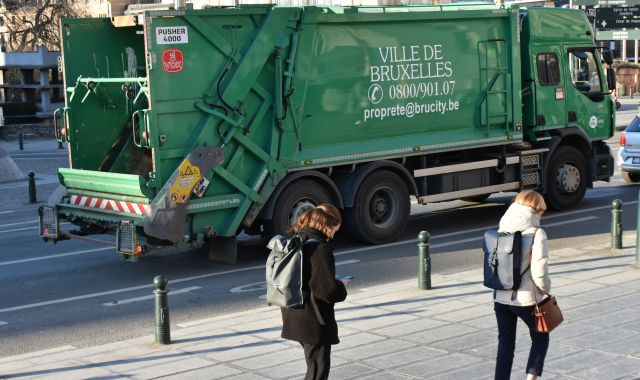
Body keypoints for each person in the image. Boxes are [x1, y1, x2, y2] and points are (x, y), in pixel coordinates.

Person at [280, 204, 350, 380]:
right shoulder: (320, 249)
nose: (334, 234)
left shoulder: (298, 240)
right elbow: (327, 291)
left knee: (313, 365)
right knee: (318, 371)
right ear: (328, 225)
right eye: (335, 229)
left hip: (294, 312)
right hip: (313, 320)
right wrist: (341, 285)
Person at [494, 190, 551, 380]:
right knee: (541, 338)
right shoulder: (537, 233)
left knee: (505, 345)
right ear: (536, 209)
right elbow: (539, 272)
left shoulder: (502, 227)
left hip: (501, 297)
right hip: (527, 300)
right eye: (541, 212)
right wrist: (546, 291)